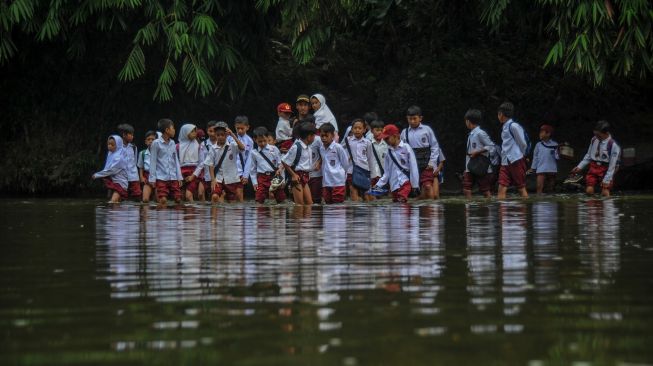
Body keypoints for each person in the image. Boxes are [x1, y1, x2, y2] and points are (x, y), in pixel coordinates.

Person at [400, 105, 441, 199]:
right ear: (407, 118)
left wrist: (432, 162)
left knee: (427, 186)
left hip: (427, 164)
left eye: (415, 118)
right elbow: (402, 150)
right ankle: (420, 211)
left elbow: (435, 147)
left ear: (420, 118)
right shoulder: (404, 132)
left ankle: (431, 210)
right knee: (416, 191)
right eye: (410, 119)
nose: (412, 121)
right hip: (412, 165)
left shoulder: (427, 130)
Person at [571, 120, 621, 197]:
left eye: (599, 135)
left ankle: (607, 207)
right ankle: (592, 207)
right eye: (595, 134)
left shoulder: (613, 145)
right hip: (594, 166)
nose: (597, 137)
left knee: (605, 191)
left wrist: (607, 179)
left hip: (606, 168)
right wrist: (579, 166)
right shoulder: (594, 139)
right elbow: (589, 155)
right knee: (589, 190)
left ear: (606, 133)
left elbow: (612, 165)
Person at [373, 124, 419, 203]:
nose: (385, 140)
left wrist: (415, 186)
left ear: (395, 136)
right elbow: (386, 173)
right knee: (396, 205)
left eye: (387, 138)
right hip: (394, 186)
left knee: (402, 200)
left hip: (405, 182)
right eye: (384, 138)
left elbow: (413, 167)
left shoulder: (406, 148)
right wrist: (378, 185)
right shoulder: (388, 153)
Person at [201, 121, 246, 203]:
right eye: (218, 135)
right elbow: (210, 164)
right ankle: (214, 215)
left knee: (232, 202)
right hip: (218, 178)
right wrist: (213, 180)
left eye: (222, 135)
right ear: (215, 135)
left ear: (226, 135)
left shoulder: (232, 145)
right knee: (214, 196)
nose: (220, 137)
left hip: (231, 178)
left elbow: (242, 148)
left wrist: (232, 134)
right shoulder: (213, 148)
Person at [497, 102, 529, 199]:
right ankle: (502, 213)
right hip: (505, 161)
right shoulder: (505, 127)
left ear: (501, 114)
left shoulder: (513, 126)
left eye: (498, 114)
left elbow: (523, 143)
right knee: (502, 186)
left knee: (521, 187)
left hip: (516, 160)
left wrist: (522, 156)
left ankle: (524, 210)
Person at [462, 109, 497, 199]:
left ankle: (489, 208)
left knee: (485, 190)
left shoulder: (480, 133)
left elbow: (491, 146)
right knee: (466, 188)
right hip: (470, 166)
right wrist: (466, 168)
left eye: (466, 121)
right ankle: (469, 209)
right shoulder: (471, 134)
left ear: (468, 121)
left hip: (480, 166)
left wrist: (477, 152)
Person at [148, 119, 183, 205]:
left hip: (173, 177)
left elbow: (176, 161)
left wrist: (179, 177)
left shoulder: (172, 143)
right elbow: (153, 161)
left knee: (178, 199)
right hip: (161, 177)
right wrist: (152, 178)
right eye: (173, 128)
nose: (174, 130)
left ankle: (176, 217)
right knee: (163, 199)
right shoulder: (156, 143)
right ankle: (162, 216)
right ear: (167, 130)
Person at [282, 121, 317, 205]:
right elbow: (284, 161)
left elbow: (305, 165)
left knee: (309, 203)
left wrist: (314, 168)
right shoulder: (296, 147)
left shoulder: (309, 148)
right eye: (313, 136)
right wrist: (293, 175)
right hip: (297, 177)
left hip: (305, 177)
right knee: (299, 205)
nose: (314, 138)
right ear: (309, 136)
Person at [249, 127, 286, 204]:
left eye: (264, 141)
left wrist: (283, 180)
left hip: (275, 175)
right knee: (259, 198)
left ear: (267, 138)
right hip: (262, 178)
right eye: (260, 141)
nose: (262, 143)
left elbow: (280, 164)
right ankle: (261, 215)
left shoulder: (274, 149)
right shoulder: (254, 153)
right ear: (255, 140)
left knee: (280, 198)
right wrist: (254, 183)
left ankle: (281, 215)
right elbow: (252, 169)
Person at [343, 118, 375, 201]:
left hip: (364, 171)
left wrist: (372, 175)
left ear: (364, 130)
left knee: (367, 194)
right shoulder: (347, 140)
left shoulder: (367, 143)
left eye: (360, 128)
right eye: (355, 128)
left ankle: (367, 212)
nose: (357, 130)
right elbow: (340, 152)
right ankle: (355, 211)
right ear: (352, 129)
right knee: (353, 192)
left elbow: (370, 158)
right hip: (351, 171)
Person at [319, 123, 350, 204]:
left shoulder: (338, 147)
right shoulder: (321, 148)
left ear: (332, 135)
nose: (324, 138)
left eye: (326, 136)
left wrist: (343, 175)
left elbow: (345, 163)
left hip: (338, 181)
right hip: (326, 181)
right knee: (328, 202)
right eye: (322, 136)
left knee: (338, 203)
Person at [92, 135, 128, 203]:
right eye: (108, 144)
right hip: (114, 181)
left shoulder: (119, 158)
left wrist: (97, 175)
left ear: (118, 145)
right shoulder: (110, 153)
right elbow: (107, 167)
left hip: (120, 182)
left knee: (113, 202)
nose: (109, 146)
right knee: (117, 203)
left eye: (112, 145)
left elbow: (111, 170)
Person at [227, 116, 254, 202]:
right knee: (230, 195)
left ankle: (240, 213)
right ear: (234, 126)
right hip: (230, 170)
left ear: (247, 127)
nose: (240, 131)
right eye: (238, 128)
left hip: (241, 171)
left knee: (239, 194)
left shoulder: (250, 141)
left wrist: (246, 175)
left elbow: (249, 159)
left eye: (242, 128)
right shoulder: (229, 138)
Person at [528, 124, 559, 194]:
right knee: (539, 186)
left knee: (550, 187)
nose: (540, 134)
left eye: (542, 132)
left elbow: (557, 157)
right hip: (541, 169)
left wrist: (559, 151)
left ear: (548, 134)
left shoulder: (555, 144)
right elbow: (535, 157)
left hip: (551, 169)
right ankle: (539, 202)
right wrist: (533, 168)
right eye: (540, 132)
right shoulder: (538, 145)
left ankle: (551, 203)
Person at [177, 123, 202, 202]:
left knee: (189, 195)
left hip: (193, 172)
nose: (195, 133)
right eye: (192, 131)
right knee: (181, 196)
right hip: (181, 173)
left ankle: (193, 213)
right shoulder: (177, 147)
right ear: (185, 132)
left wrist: (193, 176)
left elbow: (201, 163)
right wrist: (179, 176)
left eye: (195, 131)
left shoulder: (198, 146)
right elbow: (176, 163)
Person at [118, 123, 142, 199]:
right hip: (122, 177)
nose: (132, 136)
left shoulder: (134, 147)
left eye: (132, 134)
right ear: (124, 135)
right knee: (122, 196)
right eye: (130, 134)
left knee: (137, 196)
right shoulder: (117, 147)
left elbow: (134, 162)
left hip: (133, 177)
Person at [367, 120, 388, 200]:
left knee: (382, 195)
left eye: (381, 130)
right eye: (377, 130)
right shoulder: (368, 143)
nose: (379, 132)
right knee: (372, 193)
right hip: (372, 173)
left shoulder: (386, 144)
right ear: (372, 131)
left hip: (383, 173)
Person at [137, 130, 157, 203]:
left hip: (158, 178)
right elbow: (141, 166)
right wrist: (141, 177)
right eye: (148, 139)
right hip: (147, 177)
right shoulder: (142, 153)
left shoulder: (160, 153)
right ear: (145, 142)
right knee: (145, 200)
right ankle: (146, 214)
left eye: (153, 139)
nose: (151, 141)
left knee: (158, 200)